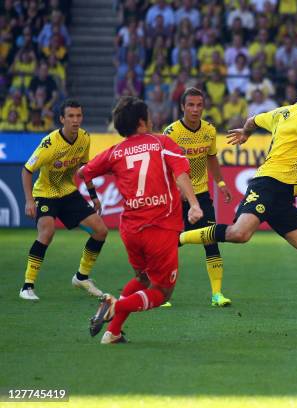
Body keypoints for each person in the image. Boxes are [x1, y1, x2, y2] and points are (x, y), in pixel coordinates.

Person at [179, 74, 297, 337]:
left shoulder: (282, 112)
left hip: (283, 197)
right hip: (267, 185)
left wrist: (246, 131)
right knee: (239, 234)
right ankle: (180, 237)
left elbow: (255, 119)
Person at [82, 96, 203, 344]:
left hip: (130, 230)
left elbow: (84, 172)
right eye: (148, 115)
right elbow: (180, 174)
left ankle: (112, 332)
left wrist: (94, 197)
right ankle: (117, 305)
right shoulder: (162, 143)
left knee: (143, 278)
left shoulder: (115, 151)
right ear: (141, 122)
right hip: (160, 228)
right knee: (162, 292)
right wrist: (194, 204)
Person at [20, 99, 108, 301]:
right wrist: (29, 201)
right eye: (71, 116)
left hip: (68, 192)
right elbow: (26, 171)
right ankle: (27, 286)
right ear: (62, 119)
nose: (75, 120)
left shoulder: (85, 138)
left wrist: (93, 195)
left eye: (78, 116)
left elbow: (85, 170)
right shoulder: (49, 144)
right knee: (47, 232)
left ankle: (81, 277)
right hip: (46, 193)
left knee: (101, 231)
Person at [163, 87, 233, 307]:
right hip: (176, 197)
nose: (195, 109)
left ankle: (217, 294)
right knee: (167, 245)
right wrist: (178, 189)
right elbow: (165, 167)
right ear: (182, 107)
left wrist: (221, 183)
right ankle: (160, 292)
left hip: (202, 195)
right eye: (190, 105)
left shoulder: (209, 130)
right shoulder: (171, 132)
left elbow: (211, 158)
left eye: (199, 105)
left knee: (210, 239)